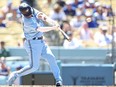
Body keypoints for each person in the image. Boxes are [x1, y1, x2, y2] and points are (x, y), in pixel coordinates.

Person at [7, 2, 62, 86]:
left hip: (41, 41)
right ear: (23, 13)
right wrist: (53, 27)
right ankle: (15, 74)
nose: (29, 15)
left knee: (51, 58)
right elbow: (40, 29)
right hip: (32, 43)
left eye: (29, 12)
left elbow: (41, 15)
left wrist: (51, 21)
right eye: (27, 14)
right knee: (33, 67)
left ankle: (58, 80)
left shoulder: (30, 10)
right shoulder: (27, 21)